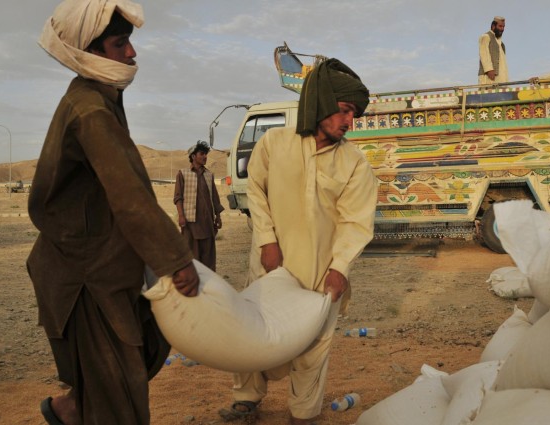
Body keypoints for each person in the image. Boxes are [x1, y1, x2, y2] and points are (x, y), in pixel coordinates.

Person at [29, 1, 199, 424]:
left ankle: (71, 408)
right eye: (120, 44)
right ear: (92, 52)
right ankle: (76, 408)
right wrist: (176, 261)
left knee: (139, 356)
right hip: (86, 281)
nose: (131, 54)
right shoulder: (90, 110)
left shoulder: (98, 100)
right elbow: (130, 197)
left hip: (102, 271)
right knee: (120, 402)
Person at [219, 59, 377, 425]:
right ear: (321, 103)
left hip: (320, 272)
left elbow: (356, 222)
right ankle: (246, 400)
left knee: (313, 346)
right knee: (252, 332)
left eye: (353, 114)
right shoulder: (274, 144)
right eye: (343, 111)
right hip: (270, 265)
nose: (348, 122)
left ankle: (303, 414)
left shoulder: (354, 163)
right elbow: (255, 191)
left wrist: (339, 268)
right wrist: (267, 240)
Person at [174, 141, 225, 271]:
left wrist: (218, 217)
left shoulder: (209, 175)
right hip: (190, 223)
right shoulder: (182, 174)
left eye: (206, 154)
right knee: (192, 256)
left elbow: (215, 197)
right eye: (201, 154)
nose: (205, 157)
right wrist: (181, 216)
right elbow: (178, 197)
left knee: (208, 256)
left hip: (207, 223)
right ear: (193, 156)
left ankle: (209, 285)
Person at [478, 16, 508, 85]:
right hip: (489, 78)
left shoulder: (501, 44)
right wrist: (489, 70)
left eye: (503, 27)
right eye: (500, 26)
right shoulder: (486, 36)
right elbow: (483, 53)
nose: (502, 29)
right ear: (493, 26)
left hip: (501, 79)